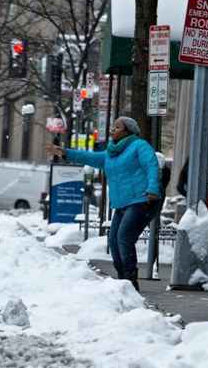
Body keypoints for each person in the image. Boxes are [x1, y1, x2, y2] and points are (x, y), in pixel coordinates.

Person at [47, 116, 161, 291]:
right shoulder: (111, 153)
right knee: (113, 240)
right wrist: (65, 152)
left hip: (142, 199)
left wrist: (153, 188)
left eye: (117, 127)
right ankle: (122, 280)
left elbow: (152, 165)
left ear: (128, 131)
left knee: (123, 237)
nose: (112, 130)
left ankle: (130, 280)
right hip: (122, 203)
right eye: (113, 127)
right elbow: (90, 157)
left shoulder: (139, 146)